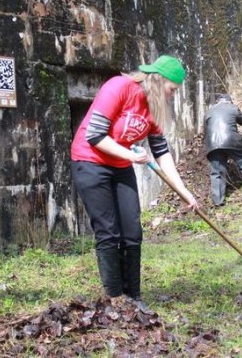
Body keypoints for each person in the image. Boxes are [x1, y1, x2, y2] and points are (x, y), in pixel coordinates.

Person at [70, 55, 198, 306]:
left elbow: (162, 152)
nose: (172, 95)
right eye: (172, 90)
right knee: (108, 232)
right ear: (159, 80)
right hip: (90, 162)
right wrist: (131, 155)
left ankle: (133, 297)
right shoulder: (119, 87)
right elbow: (95, 135)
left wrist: (184, 193)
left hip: (120, 165)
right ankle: (115, 298)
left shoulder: (153, 107)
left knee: (132, 231)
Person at [205, 94, 242, 206]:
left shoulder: (209, 111)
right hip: (230, 140)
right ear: (229, 101)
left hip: (212, 144)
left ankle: (218, 200)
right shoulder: (232, 107)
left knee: (217, 171)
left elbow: (207, 129)